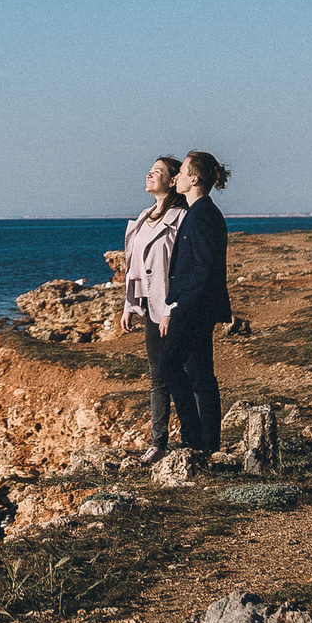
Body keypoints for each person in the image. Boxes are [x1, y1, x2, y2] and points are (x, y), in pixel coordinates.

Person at [123, 151, 234, 464]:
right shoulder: (201, 212)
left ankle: (194, 437)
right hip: (195, 306)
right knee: (200, 374)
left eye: (181, 172)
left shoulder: (199, 215)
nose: (176, 178)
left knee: (170, 367)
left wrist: (175, 306)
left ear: (194, 179)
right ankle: (206, 443)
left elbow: (203, 267)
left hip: (191, 307)